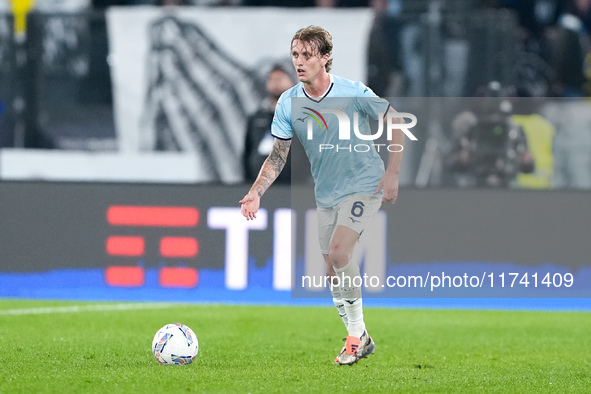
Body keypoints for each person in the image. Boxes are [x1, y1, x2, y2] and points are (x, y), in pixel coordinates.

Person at [239, 25, 407, 365]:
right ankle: (363, 336)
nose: (299, 63)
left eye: (307, 55)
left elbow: (398, 121)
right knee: (332, 272)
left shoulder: (352, 92)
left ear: (325, 58)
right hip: (327, 193)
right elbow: (277, 155)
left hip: (365, 183)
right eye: (295, 56)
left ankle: (354, 339)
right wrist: (256, 192)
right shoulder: (288, 103)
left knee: (338, 251)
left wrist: (392, 174)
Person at [243, 64, 296, 184]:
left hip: (293, 187)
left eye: (280, 79)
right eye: (272, 79)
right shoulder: (257, 118)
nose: (276, 83)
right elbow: (247, 152)